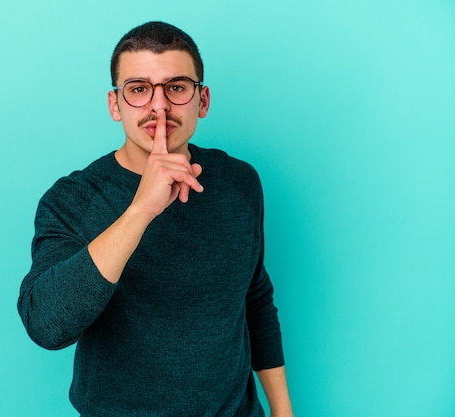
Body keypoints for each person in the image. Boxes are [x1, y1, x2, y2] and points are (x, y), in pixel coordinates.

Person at [18, 21, 293, 417]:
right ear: (115, 105)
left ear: (203, 100)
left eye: (177, 87)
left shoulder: (240, 182)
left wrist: (283, 411)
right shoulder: (73, 199)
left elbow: (254, 298)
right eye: (138, 89)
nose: (158, 106)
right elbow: (46, 325)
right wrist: (141, 209)